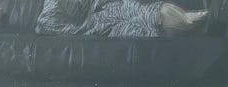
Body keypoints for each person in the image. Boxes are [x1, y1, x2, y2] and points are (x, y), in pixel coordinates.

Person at [36, 0, 208, 37]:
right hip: (86, 24)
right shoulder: (51, 11)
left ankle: (186, 19)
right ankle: (187, 23)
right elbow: (49, 22)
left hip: (102, 8)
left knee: (135, 9)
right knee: (127, 28)